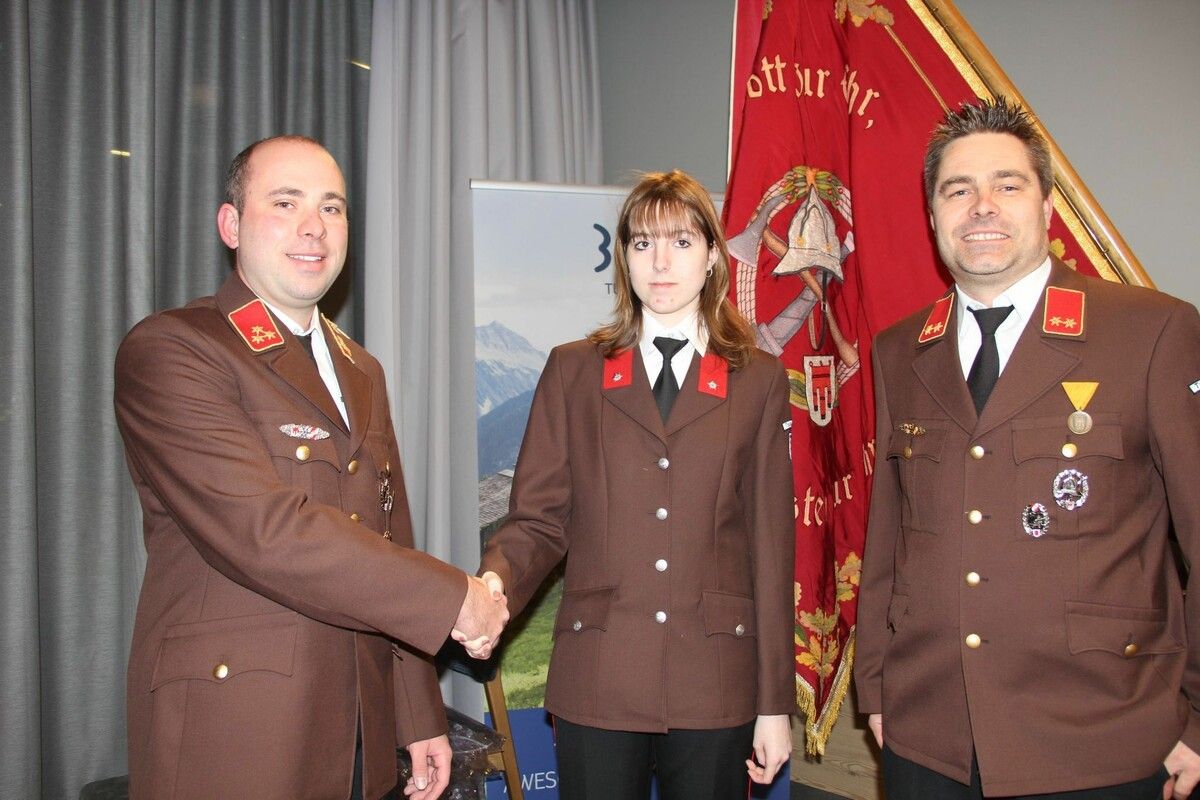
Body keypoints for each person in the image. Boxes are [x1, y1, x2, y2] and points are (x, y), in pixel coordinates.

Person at [114, 135, 508, 800]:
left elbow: (387, 538)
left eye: (332, 207)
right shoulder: (175, 349)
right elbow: (266, 531)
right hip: (238, 730)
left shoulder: (361, 370)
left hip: (358, 729)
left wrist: (417, 715)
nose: (313, 227)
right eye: (285, 202)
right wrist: (453, 599)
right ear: (231, 225)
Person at [855, 97, 1200, 799]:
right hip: (929, 733)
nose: (981, 206)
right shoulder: (900, 351)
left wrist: (1198, 718)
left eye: (1007, 185)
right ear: (932, 217)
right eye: (958, 190)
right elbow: (889, 537)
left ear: (1046, 206)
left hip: (1098, 737)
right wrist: (876, 683)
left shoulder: (1151, 332)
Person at [470, 170, 795, 799]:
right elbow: (538, 518)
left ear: (712, 256)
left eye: (681, 241)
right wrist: (495, 581)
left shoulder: (757, 380)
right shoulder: (574, 371)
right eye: (643, 244)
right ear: (624, 258)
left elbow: (771, 548)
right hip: (601, 671)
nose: (660, 262)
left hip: (714, 678)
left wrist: (774, 703)